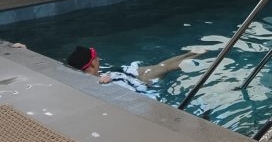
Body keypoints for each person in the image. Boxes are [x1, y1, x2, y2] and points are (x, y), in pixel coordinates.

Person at [66, 45, 204, 93]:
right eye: (96, 56)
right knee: (164, 68)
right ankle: (199, 54)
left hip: (126, 75)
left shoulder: (92, 77)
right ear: (91, 65)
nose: (99, 58)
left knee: (161, 66)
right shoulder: (99, 83)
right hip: (139, 84)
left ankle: (194, 53)